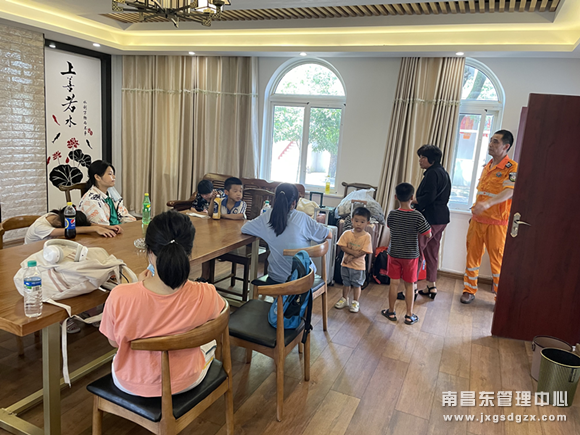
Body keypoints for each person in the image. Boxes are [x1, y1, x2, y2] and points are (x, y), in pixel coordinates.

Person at [99, 211, 225, 397]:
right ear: (188, 251)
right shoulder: (206, 293)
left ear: (150, 251)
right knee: (209, 345)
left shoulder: (120, 296)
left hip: (131, 383)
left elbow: (113, 342)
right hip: (187, 380)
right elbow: (218, 317)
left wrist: (136, 288)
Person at [461, 130, 517, 304]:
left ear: (506, 146)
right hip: (477, 221)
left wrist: (488, 204)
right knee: (472, 257)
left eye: (495, 141)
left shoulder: (512, 168)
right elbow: (481, 192)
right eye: (491, 140)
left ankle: (500, 298)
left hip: (497, 223)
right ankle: (469, 290)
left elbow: (509, 192)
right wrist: (475, 211)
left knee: (498, 261)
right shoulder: (487, 166)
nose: (491, 144)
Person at [241, 183, 330, 284]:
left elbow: (245, 228)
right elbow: (328, 235)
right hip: (304, 279)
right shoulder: (303, 218)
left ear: (276, 199)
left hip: (276, 279)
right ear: (294, 202)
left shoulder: (267, 216)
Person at [381, 183, 431, 325]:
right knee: (410, 285)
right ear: (412, 197)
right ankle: (409, 315)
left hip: (394, 253)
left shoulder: (392, 214)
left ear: (396, 197)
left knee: (394, 283)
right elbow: (428, 234)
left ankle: (391, 311)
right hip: (410, 255)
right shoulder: (417, 215)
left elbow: (390, 227)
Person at [411, 145, 451, 300]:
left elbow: (429, 197)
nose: (420, 160)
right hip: (441, 218)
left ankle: (412, 288)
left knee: (417, 251)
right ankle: (431, 285)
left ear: (432, 160)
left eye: (423, 157)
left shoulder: (432, 174)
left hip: (430, 219)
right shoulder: (443, 173)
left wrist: (413, 200)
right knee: (432, 252)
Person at [334, 207, 373, 313]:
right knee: (345, 283)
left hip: (358, 266)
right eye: (356, 221)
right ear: (352, 220)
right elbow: (342, 246)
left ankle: (355, 301)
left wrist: (351, 256)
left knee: (357, 284)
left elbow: (364, 250)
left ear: (367, 223)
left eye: (362, 222)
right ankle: (344, 298)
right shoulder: (347, 233)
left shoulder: (367, 236)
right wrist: (353, 253)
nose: (358, 224)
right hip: (345, 264)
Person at [79, 160, 136, 226]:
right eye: (110, 174)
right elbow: (103, 226)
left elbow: (123, 213)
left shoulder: (111, 191)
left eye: (113, 174)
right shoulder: (90, 200)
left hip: (119, 227)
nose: (114, 177)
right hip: (107, 230)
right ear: (97, 177)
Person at [25, 207, 120, 244]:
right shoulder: (40, 227)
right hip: (30, 255)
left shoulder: (57, 217)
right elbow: (70, 230)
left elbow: (84, 224)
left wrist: (107, 227)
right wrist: (95, 229)